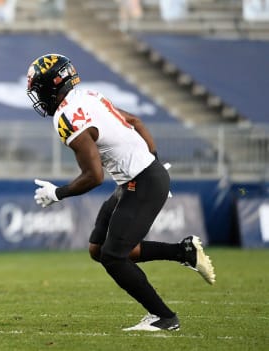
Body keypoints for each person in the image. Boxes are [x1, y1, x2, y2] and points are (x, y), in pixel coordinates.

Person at [26, 53, 216, 331]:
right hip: (138, 179)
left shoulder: (65, 117)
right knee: (98, 249)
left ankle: (164, 317)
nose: (38, 97)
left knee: (113, 257)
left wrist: (58, 193)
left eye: (39, 89)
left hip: (141, 182)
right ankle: (183, 252)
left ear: (51, 86)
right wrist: (152, 161)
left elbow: (93, 176)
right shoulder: (89, 95)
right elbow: (136, 122)